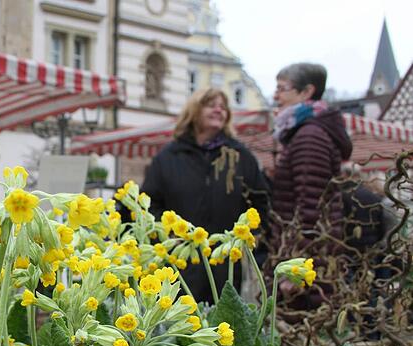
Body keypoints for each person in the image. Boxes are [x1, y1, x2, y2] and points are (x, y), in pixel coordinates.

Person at [141, 88, 270, 303]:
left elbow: (260, 202)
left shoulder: (239, 156)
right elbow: (150, 203)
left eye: (223, 107)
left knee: (222, 326)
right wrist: (169, 232)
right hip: (180, 259)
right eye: (211, 105)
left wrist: (245, 237)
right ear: (194, 111)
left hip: (225, 262)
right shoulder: (169, 156)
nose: (219, 110)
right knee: (181, 325)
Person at [270, 63, 353, 308]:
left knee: (299, 336)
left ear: (306, 92)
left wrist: (298, 268)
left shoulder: (309, 136)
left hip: (303, 270)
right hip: (303, 258)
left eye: (282, 89)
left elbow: (312, 206)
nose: (276, 96)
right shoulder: (304, 132)